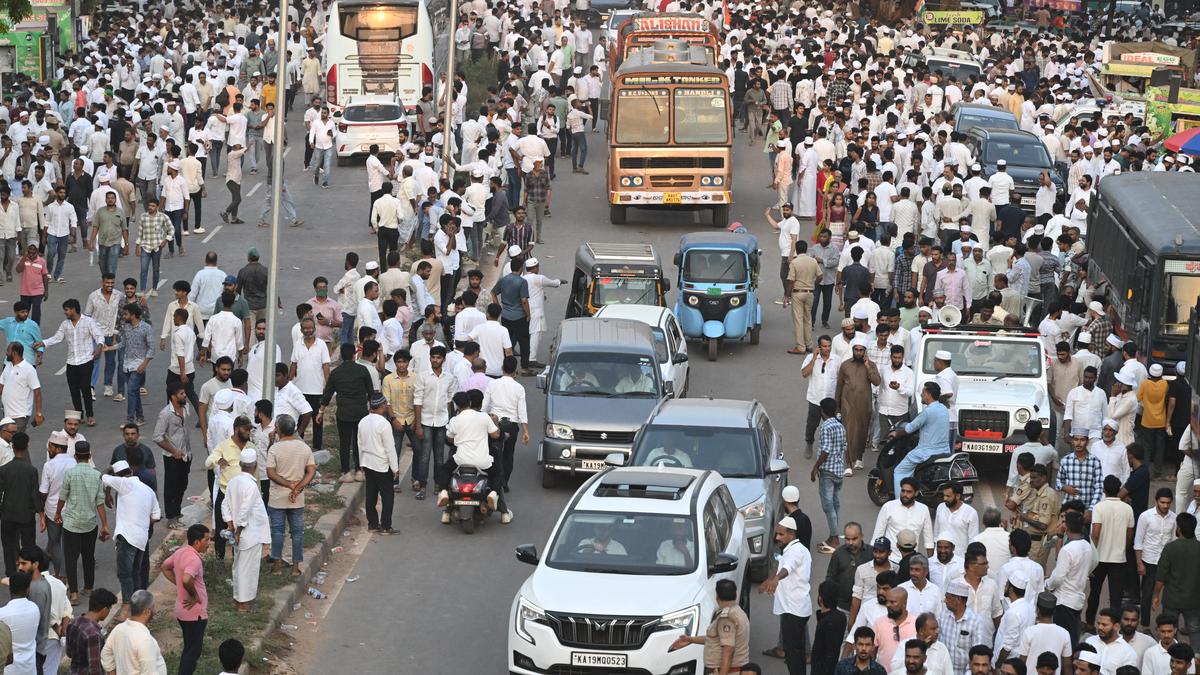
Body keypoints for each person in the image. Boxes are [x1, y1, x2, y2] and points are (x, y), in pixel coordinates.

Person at [53, 440, 108, 604]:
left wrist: (57, 513)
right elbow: (100, 502)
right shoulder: (96, 475)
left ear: (75, 456)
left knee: (71, 559)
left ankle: (74, 594)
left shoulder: (70, 474)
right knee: (88, 556)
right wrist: (105, 524)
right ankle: (89, 588)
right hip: (90, 524)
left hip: (71, 524)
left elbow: (62, 497)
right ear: (89, 456)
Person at [101, 458, 159, 612]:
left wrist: (109, 469)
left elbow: (103, 477)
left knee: (125, 573)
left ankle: (127, 605)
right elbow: (156, 515)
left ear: (118, 476)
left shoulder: (124, 483)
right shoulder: (148, 490)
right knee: (136, 572)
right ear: (131, 472)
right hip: (142, 538)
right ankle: (138, 605)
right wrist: (142, 522)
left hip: (127, 536)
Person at [761, 515, 812, 675]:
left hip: (793, 610)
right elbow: (781, 563)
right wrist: (769, 580)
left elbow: (787, 567)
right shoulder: (792, 549)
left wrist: (776, 579)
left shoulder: (795, 551)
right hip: (792, 608)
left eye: (781, 534)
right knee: (796, 651)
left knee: (793, 653)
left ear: (791, 534)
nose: (777, 537)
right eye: (777, 534)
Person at [266, 414, 316, 575]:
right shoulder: (304, 448)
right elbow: (311, 471)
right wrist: (297, 488)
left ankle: (277, 567)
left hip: (277, 499)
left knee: (277, 532)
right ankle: (295, 568)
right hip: (297, 499)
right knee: (297, 533)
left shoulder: (274, 449)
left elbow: (270, 472)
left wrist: (288, 485)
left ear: (278, 429)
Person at [222, 447, 271, 611]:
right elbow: (245, 510)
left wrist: (230, 525)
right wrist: (237, 531)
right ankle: (243, 603)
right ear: (255, 465)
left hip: (240, 533)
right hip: (249, 534)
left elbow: (225, 505)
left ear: (241, 464)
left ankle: (238, 599)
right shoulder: (251, 486)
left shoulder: (233, 482)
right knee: (247, 569)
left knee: (238, 567)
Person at [318, 343, 375, 482]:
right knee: (359, 442)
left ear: (341, 356)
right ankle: (359, 470)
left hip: (344, 413)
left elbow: (327, 394)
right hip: (361, 412)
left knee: (344, 442)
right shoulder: (362, 370)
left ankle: (346, 472)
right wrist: (371, 409)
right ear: (354, 355)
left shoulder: (336, 373)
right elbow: (371, 392)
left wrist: (321, 411)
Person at [159, 524, 211, 675]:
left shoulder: (180, 552)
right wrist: (194, 595)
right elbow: (187, 579)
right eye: (206, 540)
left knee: (189, 648)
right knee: (193, 653)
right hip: (194, 613)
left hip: (182, 611)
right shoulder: (194, 559)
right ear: (197, 542)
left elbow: (165, 567)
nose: (208, 543)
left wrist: (178, 583)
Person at [672, 578, 752, 674]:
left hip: (728, 671)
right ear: (735, 594)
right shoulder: (738, 611)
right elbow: (716, 639)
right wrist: (690, 639)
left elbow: (728, 650)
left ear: (717, 596)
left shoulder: (727, 618)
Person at [1087, 475, 1135, 626]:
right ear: (1119, 489)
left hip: (1099, 558)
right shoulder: (1128, 509)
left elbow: (1095, 533)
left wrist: (1092, 554)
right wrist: (1123, 548)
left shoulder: (1099, 507)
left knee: (1094, 593)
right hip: (1119, 559)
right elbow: (1129, 534)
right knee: (1116, 597)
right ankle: (1114, 626)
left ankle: (1089, 623)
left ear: (1104, 490)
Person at [889, 382, 950, 488]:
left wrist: (895, 433)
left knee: (900, 471)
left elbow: (909, 428)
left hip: (926, 452)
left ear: (928, 394)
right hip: (944, 451)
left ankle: (902, 497)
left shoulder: (927, 412)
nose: (921, 395)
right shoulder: (944, 409)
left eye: (923, 392)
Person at [1153, 512, 1200, 647]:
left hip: (1172, 599)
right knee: (1195, 631)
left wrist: (1156, 595)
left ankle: (1171, 656)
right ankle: (1197, 657)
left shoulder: (1170, 548)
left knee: (1169, 631)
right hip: (1194, 600)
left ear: (1179, 529)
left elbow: (1161, 577)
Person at [1047, 510, 1092, 646]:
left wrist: (1047, 584)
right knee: (1072, 637)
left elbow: (1058, 578)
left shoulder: (1067, 550)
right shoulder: (1087, 545)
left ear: (1066, 526)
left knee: (1063, 641)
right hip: (1077, 599)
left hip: (1064, 600)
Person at [358, 395, 401, 534]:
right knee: (387, 496)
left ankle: (373, 524)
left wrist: (361, 462)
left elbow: (359, 444)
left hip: (367, 463)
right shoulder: (384, 424)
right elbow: (390, 448)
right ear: (382, 406)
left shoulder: (363, 421)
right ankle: (386, 526)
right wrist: (395, 468)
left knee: (371, 494)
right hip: (381, 465)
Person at [1134, 489, 1177, 627]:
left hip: (1166, 562)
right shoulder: (1145, 516)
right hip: (1149, 560)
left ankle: (1166, 626)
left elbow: (1174, 541)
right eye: (1162, 502)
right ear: (1156, 501)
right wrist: (1139, 563)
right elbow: (1138, 541)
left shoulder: (1174, 518)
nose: (1165, 505)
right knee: (1146, 595)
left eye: (1168, 503)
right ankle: (1145, 626)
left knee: (1168, 596)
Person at [99, 589, 167, 674]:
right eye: (153, 608)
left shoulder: (118, 629)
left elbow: (105, 654)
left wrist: (112, 672)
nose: (155, 611)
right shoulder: (145, 640)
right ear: (147, 612)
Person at [0, 432, 38, 577]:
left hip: (8, 515)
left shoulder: (4, 470)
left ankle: (11, 574)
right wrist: (41, 514)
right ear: (27, 446)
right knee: (28, 546)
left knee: (8, 546)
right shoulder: (31, 470)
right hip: (26, 515)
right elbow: (34, 495)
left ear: (13, 447)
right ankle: (27, 573)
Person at [812, 398, 847, 552]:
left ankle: (834, 539)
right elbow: (844, 447)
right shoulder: (840, 425)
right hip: (839, 471)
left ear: (822, 411)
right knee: (835, 504)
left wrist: (815, 468)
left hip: (828, 472)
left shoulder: (826, 427)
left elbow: (825, 451)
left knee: (828, 506)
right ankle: (833, 536)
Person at [937, 579, 990, 675]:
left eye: (948, 598)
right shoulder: (943, 616)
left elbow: (976, 651)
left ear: (958, 600)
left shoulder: (975, 621)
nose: (945, 601)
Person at [65, 588, 118, 675]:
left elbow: (69, 653)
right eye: (109, 609)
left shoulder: (73, 622)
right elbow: (95, 670)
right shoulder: (93, 634)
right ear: (104, 609)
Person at [0, 571, 40, 675]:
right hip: (30, 669)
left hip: (10, 670)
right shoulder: (35, 609)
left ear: (10, 589)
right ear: (28, 589)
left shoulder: (2, 614)